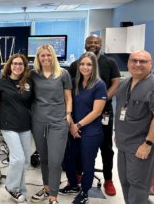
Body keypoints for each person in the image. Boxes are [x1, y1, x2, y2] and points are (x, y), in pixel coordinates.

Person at [68, 35, 121, 195]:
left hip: (102, 113)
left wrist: (101, 100)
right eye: (90, 42)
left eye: (96, 42)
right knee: (77, 146)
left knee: (106, 148)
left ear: (101, 44)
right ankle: (78, 173)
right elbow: (70, 89)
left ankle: (109, 179)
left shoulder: (109, 63)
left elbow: (116, 83)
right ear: (84, 44)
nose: (93, 44)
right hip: (80, 113)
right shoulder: (75, 65)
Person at [115, 50, 154, 204]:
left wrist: (148, 144)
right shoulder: (125, 83)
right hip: (123, 143)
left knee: (138, 185)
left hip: (141, 146)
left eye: (143, 61)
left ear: (151, 64)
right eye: (134, 60)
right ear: (128, 63)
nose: (137, 64)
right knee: (125, 182)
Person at [60, 52, 107, 204]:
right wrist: (72, 125)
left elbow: (97, 111)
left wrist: (78, 125)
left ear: (94, 67)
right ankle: (73, 184)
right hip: (72, 128)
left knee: (87, 164)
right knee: (67, 159)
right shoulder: (75, 83)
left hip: (91, 132)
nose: (85, 67)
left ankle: (85, 192)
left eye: (89, 64)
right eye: (82, 64)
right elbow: (69, 105)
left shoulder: (99, 85)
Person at [0, 54, 32, 203]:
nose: (17, 66)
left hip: (25, 125)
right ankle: (11, 187)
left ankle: (20, 189)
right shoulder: (1, 82)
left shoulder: (28, 83)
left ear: (25, 67)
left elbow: (34, 103)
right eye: (14, 64)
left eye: (20, 64)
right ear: (10, 65)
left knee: (25, 161)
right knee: (17, 158)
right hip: (8, 125)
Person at [30, 44, 72, 204]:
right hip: (38, 121)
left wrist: (68, 115)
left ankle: (53, 196)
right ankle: (46, 187)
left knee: (55, 160)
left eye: (49, 55)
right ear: (38, 58)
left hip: (58, 122)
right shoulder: (33, 74)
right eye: (42, 55)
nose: (46, 58)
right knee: (45, 159)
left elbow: (68, 98)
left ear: (53, 56)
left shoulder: (63, 74)